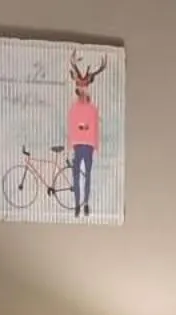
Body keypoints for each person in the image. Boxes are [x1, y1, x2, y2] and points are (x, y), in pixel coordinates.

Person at [67, 52, 107, 218]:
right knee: (76, 175)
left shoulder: (91, 109)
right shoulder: (75, 108)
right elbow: (73, 125)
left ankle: (85, 204)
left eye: (84, 85)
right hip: (78, 145)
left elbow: (93, 126)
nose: (82, 89)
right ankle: (77, 204)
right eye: (80, 85)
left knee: (87, 175)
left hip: (88, 145)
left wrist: (96, 145)